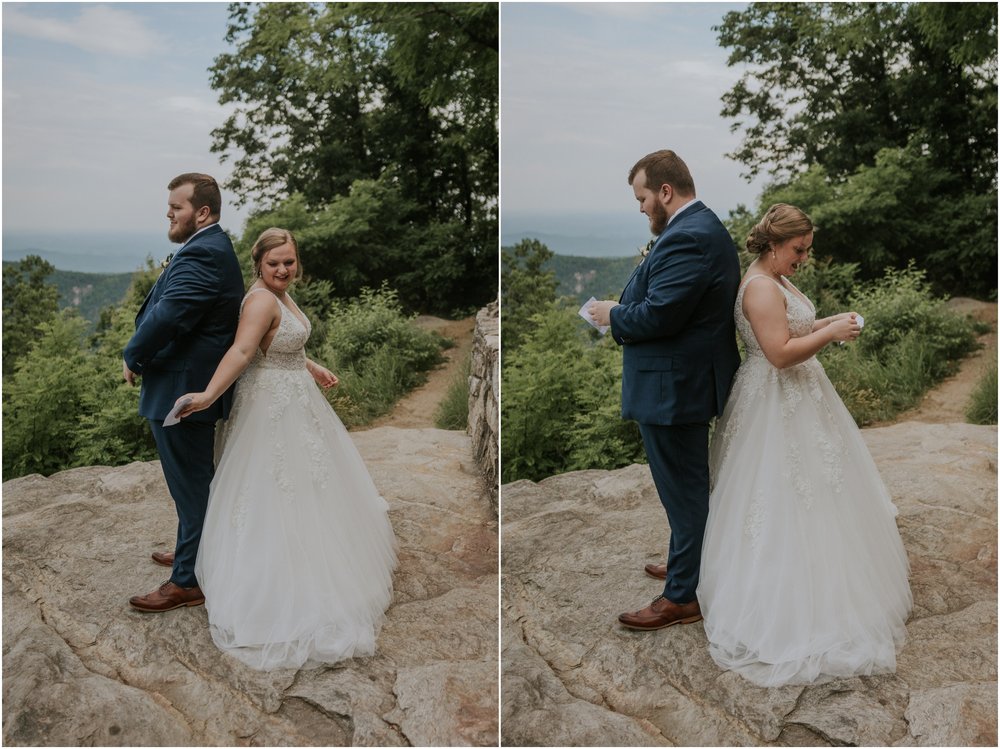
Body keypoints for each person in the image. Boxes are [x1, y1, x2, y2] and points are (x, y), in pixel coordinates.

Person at [697, 203, 912, 686]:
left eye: (806, 251)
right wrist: (832, 333)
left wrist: (829, 323)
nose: (803, 258)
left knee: (822, 489)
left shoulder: (775, 278)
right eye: (798, 250)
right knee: (781, 495)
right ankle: (786, 604)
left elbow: (794, 328)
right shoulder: (757, 287)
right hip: (774, 399)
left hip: (800, 396)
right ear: (773, 245)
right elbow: (777, 354)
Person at [172, 227, 397, 670]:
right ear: (258, 263)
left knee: (309, 483)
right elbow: (241, 352)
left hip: (293, 394)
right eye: (274, 263)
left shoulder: (278, 296)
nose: (282, 270)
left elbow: (271, 344)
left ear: (297, 262)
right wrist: (208, 396)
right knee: (277, 486)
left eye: (289, 262)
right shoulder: (259, 299)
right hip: (271, 406)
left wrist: (309, 364)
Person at [588, 150, 741, 630]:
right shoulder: (695, 229)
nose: (640, 208)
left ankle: (682, 597)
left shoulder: (690, 237)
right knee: (683, 489)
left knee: (685, 493)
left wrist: (612, 314)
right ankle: (685, 565)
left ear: (666, 192)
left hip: (675, 389)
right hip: (681, 382)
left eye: (643, 197)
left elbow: (659, 316)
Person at [124, 173, 245, 613]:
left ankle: (188, 581)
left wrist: (132, 355)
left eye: (176, 207)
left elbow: (170, 315)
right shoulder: (209, 247)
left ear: (203, 212)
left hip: (183, 391)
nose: (169, 213)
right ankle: (195, 550)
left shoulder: (205, 254)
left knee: (192, 486)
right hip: (185, 382)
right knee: (189, 484)